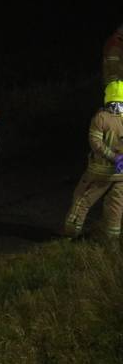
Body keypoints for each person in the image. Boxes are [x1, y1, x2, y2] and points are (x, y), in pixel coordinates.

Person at [63, 80, 123, 243]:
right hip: (121, 175)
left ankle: (70, 235)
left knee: (82, 199)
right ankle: (112, 241)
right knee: (115, 207)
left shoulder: (100, 118)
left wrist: (113, 157)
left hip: (99, 173)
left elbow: (95, 143)